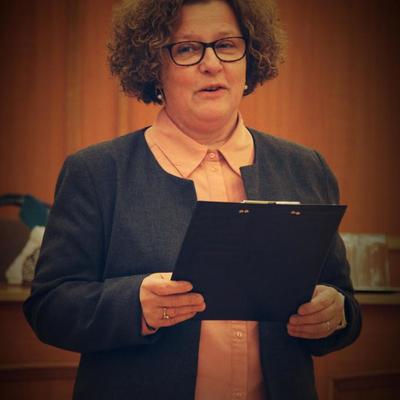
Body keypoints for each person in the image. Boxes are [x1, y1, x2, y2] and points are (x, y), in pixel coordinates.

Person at [24, 0, 361, 399]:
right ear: (153, 66)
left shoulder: (306, 168)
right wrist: (135, 305)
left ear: (250, 56)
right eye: (187, 49)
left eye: (227, 45)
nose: (212, 64)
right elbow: (49, 308)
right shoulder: (96, 172)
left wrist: (335, 315)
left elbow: (345, 304)